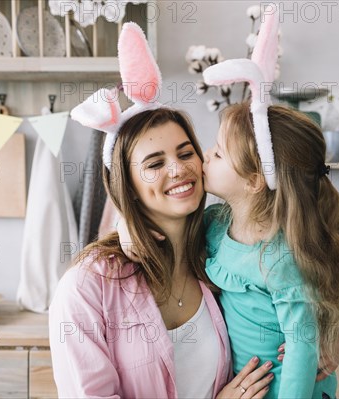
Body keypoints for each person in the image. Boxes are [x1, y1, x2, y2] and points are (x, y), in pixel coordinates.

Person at [118, 6, 339, 398]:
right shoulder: (213, 223)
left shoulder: (280, 259)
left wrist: (332, 337)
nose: (202, 157)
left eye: (217, 154)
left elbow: (300, 351)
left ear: (254, 180)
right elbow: (155, 224)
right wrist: (127, 226)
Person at [49, 23, 275, 399]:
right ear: (129, 187)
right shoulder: (88, 287)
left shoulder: (218, 250)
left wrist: (325, 340)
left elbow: (296, 276)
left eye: (186, 153)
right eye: (154, 163)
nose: (178, 169)